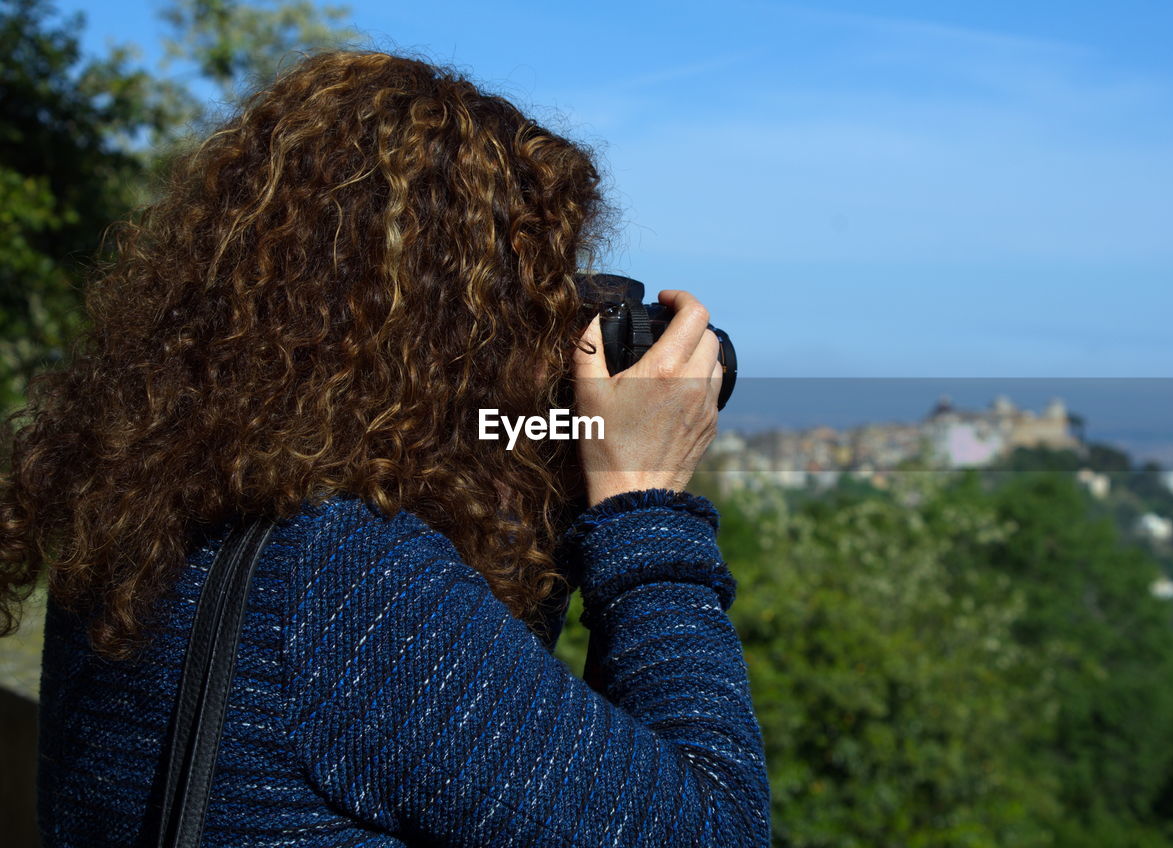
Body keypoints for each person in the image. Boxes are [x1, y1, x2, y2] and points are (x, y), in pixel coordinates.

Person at [0, 50, 770, 846]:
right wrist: (644, 502)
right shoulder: (346, 587)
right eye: (537, 291)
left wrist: (544, 481)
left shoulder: (139, 520)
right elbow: (715, 827)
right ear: (456, 332)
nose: (552, 336)